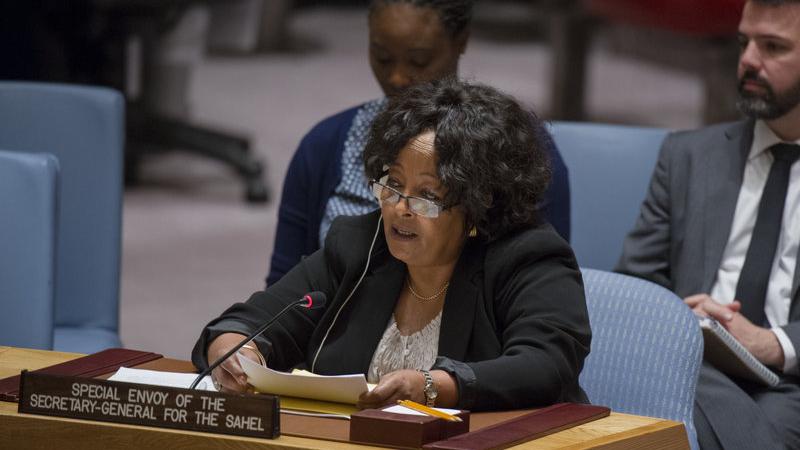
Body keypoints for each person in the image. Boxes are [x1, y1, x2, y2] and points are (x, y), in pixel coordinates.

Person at [193, 78, 590, 411]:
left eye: (427, 195)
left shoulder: (529, 257)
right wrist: (234, 350)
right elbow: (249, 321)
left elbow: (546, 364)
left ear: (478, 203)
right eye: (394, 185)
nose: (400, 208)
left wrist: (435, 386)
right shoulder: (359, 245)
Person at [266, 0, 571, 287]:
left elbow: (544, 284)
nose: (398, 78)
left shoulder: (518, 152)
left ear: (461, 40)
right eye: (383, 57)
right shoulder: (325, 145)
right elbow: (283, 289)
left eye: (418, 60)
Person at [616, 1, 800, 448]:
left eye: (773, 47)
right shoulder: (687, 156)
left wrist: (772, 343)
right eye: (743, 42)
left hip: (788, 383)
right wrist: (682, 321)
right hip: (688, 363)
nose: (749, 60)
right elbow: (634, 284)